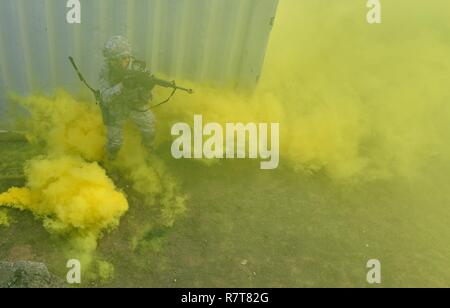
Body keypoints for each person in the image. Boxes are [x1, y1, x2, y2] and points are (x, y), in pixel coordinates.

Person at [99, 35, 173, 160]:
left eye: (128, 57)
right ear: (113, 60)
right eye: (123, 58)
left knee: (149, 128)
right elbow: (105, 97)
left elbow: (148, 93)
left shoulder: (138, 68)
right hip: (117, 106)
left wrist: (147, 87)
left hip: (135, 104)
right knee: (115, 144)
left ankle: (147, 150)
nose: (127, 60)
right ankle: (110, 160)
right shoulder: (106, 71)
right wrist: (122, 86)